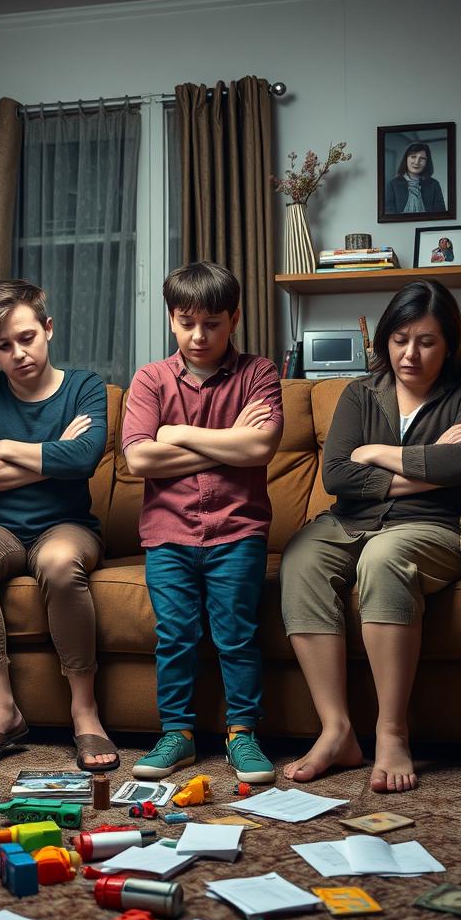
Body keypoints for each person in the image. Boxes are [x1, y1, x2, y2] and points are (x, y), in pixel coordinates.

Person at [279, 279, 461, 793]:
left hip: (432, 527)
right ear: (384, 341)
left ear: (449, 343)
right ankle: (336, 731)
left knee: (384, 556)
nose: (411, 354)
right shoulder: (361, 392)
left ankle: (391, 731)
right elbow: (336, 475)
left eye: (426, 341)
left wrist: (375, 453)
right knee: (300, 559)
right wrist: (430, 467)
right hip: (348, 520)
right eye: (400, 340)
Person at [122, 261, 284, 784]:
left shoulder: (259, 373)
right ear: (171, 319)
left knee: (236, 634)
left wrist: (174, 434)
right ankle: (178, 734)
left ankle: (243, 733)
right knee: (176, 635)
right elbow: (139, 461)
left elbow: (260, 446)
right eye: (186, 321)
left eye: (212, 323)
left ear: (234, 319)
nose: (198, 335)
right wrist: (224, 444)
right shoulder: (150, 379)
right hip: (168, 534)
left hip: (238, 531)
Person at [0, 279, 118, 772]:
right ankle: (3, 708)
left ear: (47, 329)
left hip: (66, 525)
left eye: (26, 338)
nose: (18, 353)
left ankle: (84, 711)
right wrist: (52, 454)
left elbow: (84, 458)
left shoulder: (84, 385)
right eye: (3, 345)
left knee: (60, 562)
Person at [382, 142, 446, 216]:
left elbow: (440, 214)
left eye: (422, 158)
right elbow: (389, 214)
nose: (417, 162)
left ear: (427, 162)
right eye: (413, 157)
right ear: (406, 159)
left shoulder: (434, 184)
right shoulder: (392, 184)